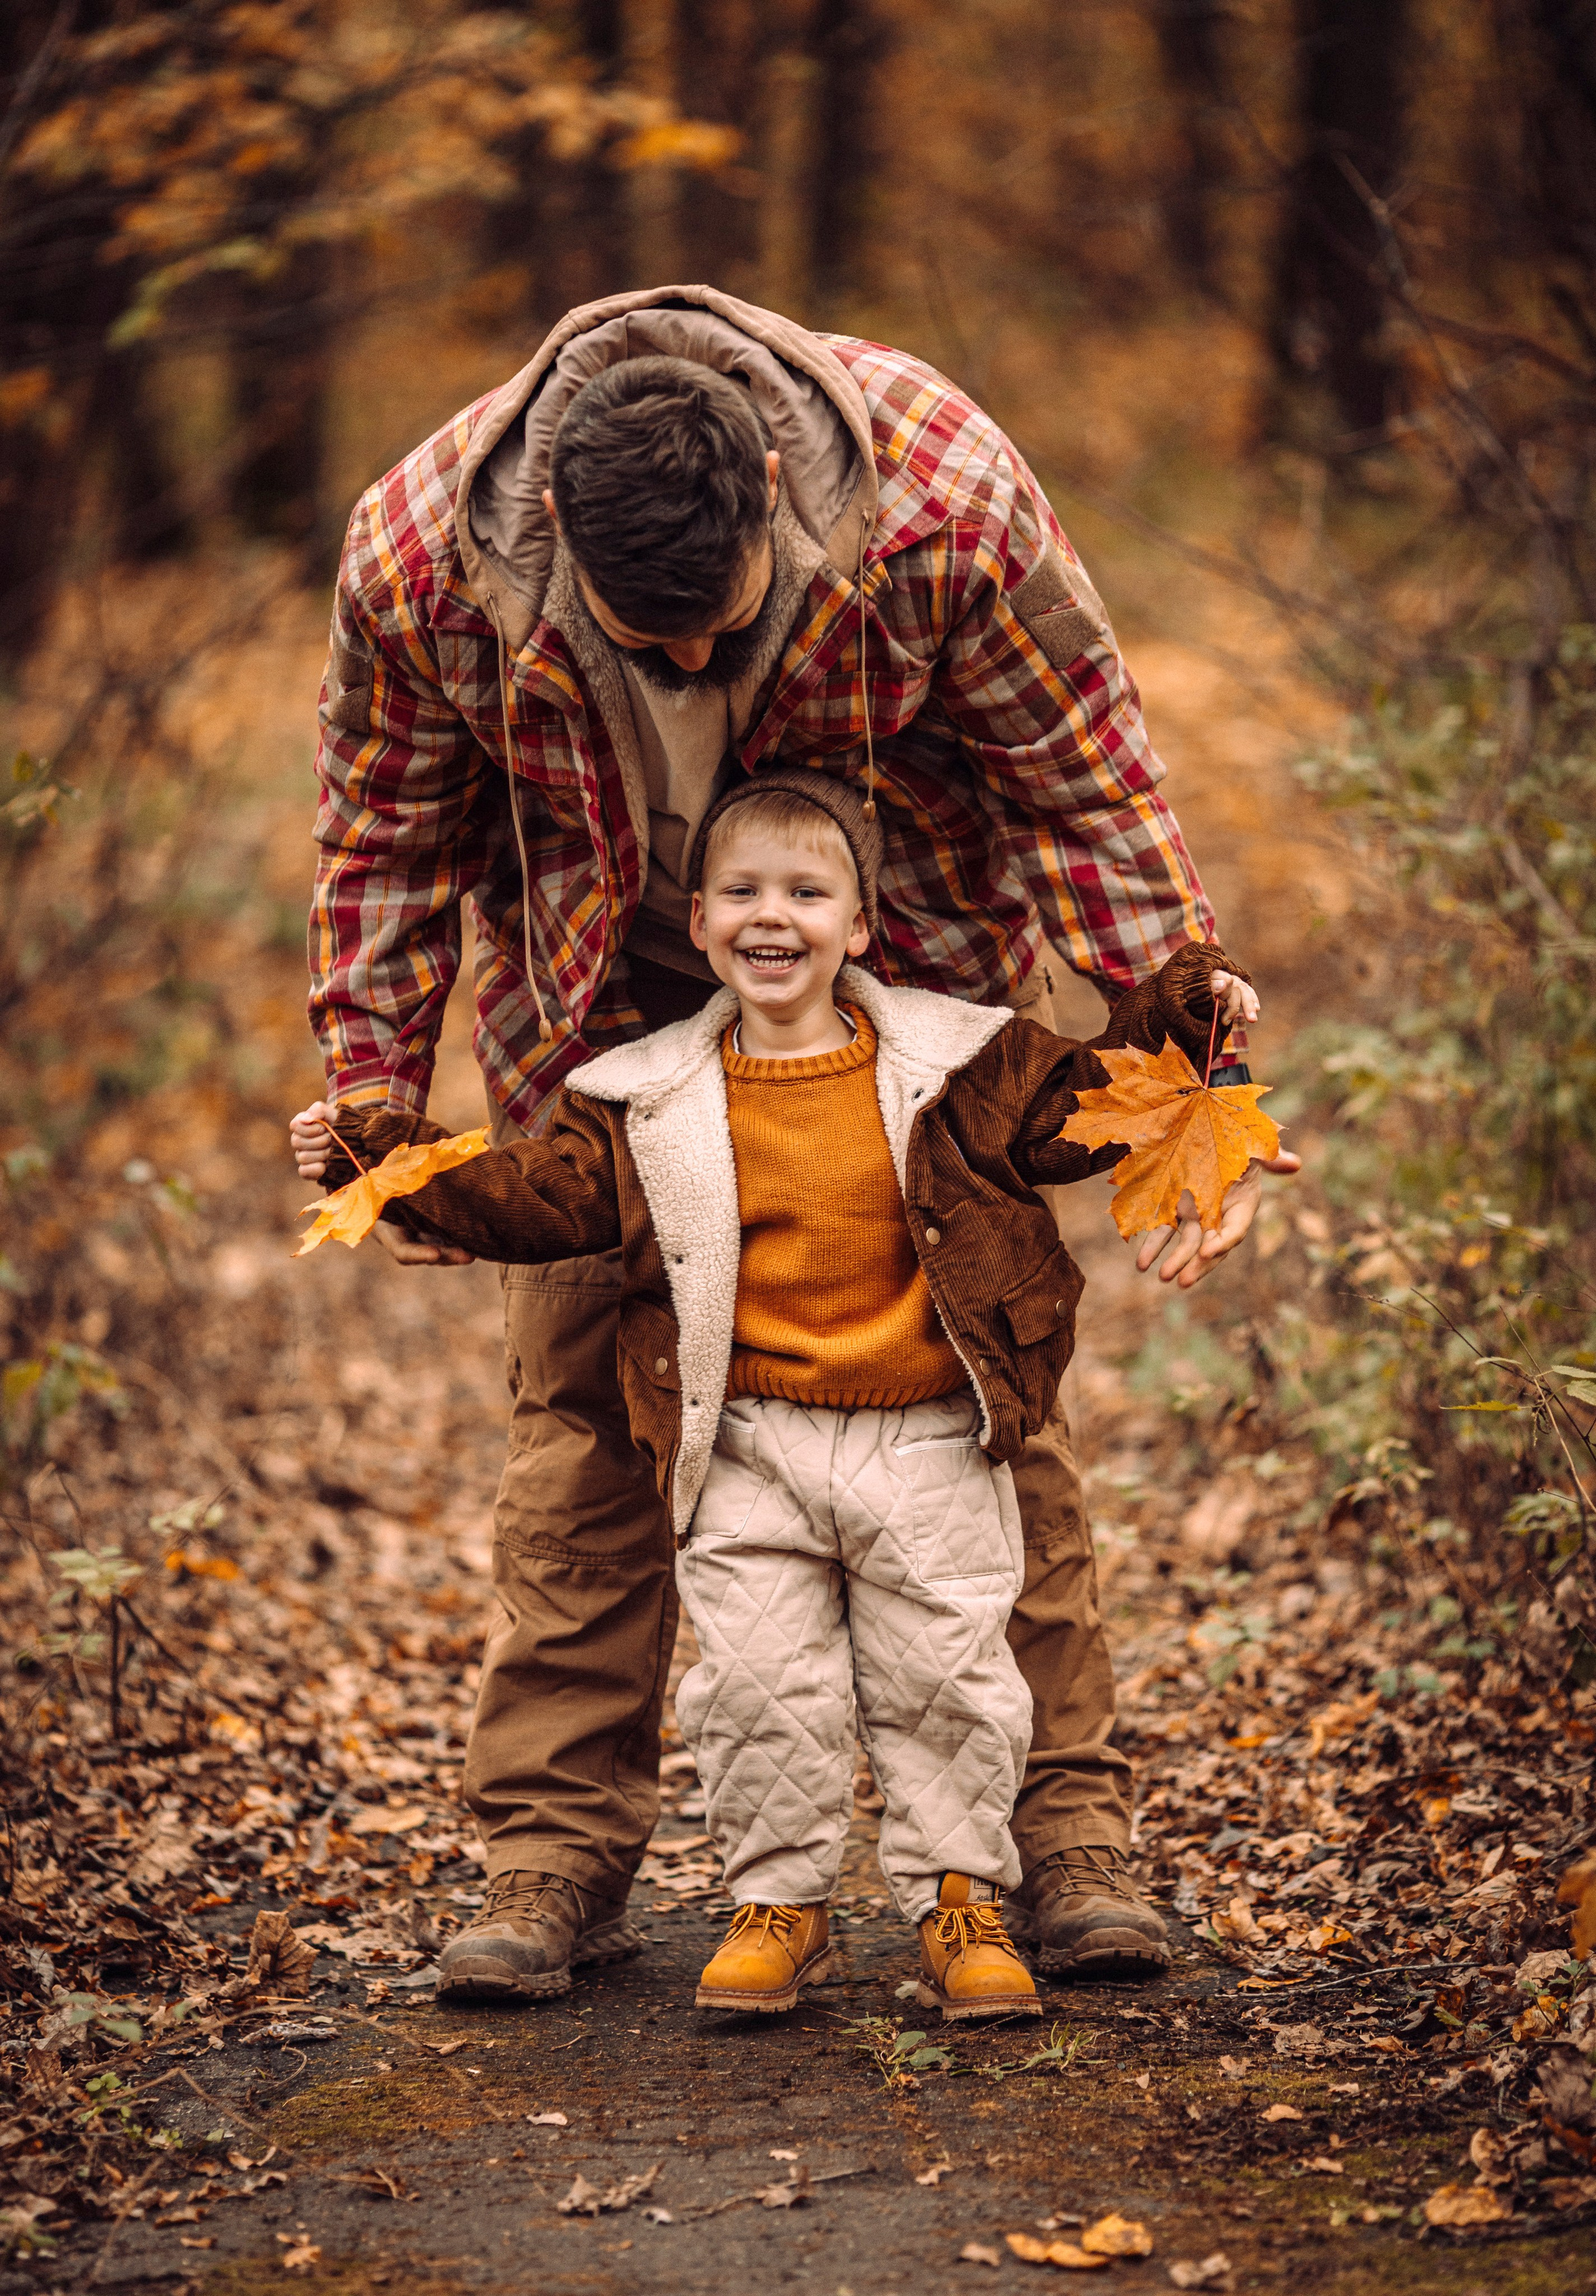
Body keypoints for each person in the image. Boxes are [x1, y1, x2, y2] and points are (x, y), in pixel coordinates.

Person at [305, 284, 1297, 2003]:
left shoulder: (943, 503)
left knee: (979, 1404)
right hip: (597, 1014)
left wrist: (1185, 1073)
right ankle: (552, 1854)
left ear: (772, 487)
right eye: (647, 637)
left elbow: (1085, 784)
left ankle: (1062, 1835)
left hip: (915, 1000)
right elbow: (386, 842)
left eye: (718, 624)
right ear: (559, 537)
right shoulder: (419, 565)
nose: (690, 666)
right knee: (585, 1425)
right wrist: (383, 1114)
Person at [293, 769, 1264, 2017]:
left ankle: (960, 1905)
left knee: (949, 1683)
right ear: (696, 922)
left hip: (927, 1442)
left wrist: (1185, 1002)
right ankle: (780, 1906)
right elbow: (540, 1198)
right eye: (742, 892)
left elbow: (1094, 1109)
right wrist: (380, 1158)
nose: (773, 915)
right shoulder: (640, 1096)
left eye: (807, 892)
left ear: (860, 923)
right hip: (749, 1449)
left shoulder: (965, 1060)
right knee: (759, 1689)